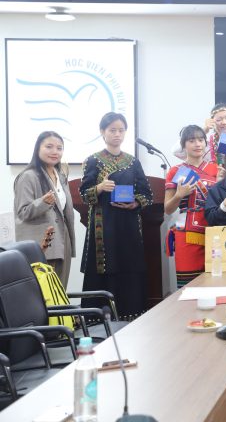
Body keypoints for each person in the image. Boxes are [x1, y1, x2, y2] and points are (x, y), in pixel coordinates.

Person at [80, 112, 152, 320]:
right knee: (105, 265)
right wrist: (100, 187)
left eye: (121, 130)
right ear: (102, 132)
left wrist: (135, 202)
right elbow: (84, 195)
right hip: (103, 225)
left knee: (129, 263)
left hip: (128, 224)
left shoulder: (133, 161)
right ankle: (99, 317)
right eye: (112, 130)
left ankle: (131, 313)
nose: (117, 134)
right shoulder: (93, 160)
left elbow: (147, 194)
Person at [13, 131, 76, 287]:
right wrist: (43, 202)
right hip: (42, 245)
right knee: (43, 294)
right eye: (49, 147)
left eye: (59, 148)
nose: (55, 152)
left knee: (59, 292)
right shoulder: (28, 176)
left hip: (62, 242)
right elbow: (22, 213)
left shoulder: (61, 175)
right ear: (38, 149)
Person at [164, 125, 219, 288]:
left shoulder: (216, 169)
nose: (197, 144)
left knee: (215, 283)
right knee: (188, 286)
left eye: (201, 140)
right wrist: (179, 194)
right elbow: (168, 209)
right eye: (192, 140)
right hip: (187, 234)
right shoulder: (175, 171)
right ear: (183, 145)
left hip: (214, 232)